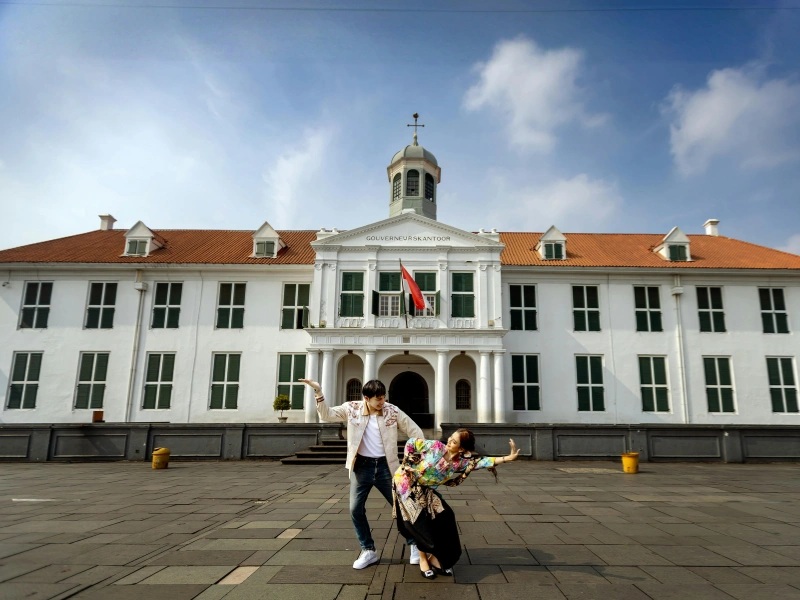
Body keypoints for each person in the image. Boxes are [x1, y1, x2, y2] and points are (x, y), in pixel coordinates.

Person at [299, 378, 424, 570]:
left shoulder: (392, 410)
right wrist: (318, 391)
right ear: (366, 398)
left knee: (402, 508)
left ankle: (415, 546)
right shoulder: (352, 408)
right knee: (355, 509)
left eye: (384, 398)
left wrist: (417, 457)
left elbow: (414, 430)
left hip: (386, 468)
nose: (382, 402)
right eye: (378, 399)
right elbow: (327, 415)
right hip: (361, 467)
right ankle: (368, 550)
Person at [392, 429, 520, 579]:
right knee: (421, 523)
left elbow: (481, 462)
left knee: (446, 517)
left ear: (461, 449)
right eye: (450, 438)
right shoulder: (436, 447)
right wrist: (408, 462)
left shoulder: (460, 463)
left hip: (427, 491)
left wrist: (507, 458)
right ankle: (423, 560)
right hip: (406, 486)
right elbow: (411, 442)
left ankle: (435, 558)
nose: (448, 442)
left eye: (453, 441)